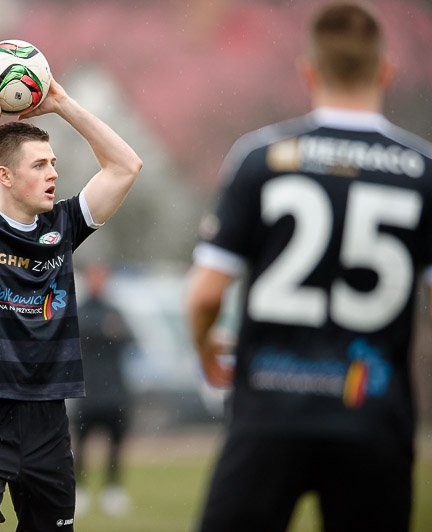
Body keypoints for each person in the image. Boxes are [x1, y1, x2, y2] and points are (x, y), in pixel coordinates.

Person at [186, 3, 432, 531]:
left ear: (309, 71)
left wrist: (205, 346)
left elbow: (206, 294)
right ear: (386, 70)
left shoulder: (262, 158)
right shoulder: (422, 171)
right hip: (373, 415)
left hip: (269, 414)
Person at [0, 62, 142, 531]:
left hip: (47, 419)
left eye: (53, 164)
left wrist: (63, 104)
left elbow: (126, 166)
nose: (53, 174)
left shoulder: (62, 227)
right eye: (39, 165)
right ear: (5, 176)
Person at [72, 262, 133, 517]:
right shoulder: (79, 310)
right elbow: (79, 336)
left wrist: (109, 333)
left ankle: (113, 489)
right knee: (81, 445)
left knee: (116, 444)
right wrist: (105, 332)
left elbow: (129, 338)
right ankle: (79, 489)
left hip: (115, 392)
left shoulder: (114, 310)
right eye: (93, 276)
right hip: (87, 391)